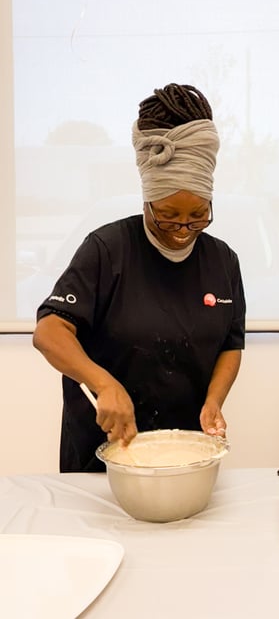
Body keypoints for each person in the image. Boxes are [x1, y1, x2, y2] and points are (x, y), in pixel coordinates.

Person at [33, 83, 246, 472]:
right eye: (168, 215)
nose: (183, 229)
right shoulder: (107, 250)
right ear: (146, 199)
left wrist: (214, 401)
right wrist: (104, 384)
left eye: (197, 214)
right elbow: (49, 332)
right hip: (103, 459)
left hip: (186, 456)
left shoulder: (223, 260)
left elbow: (231, 345)